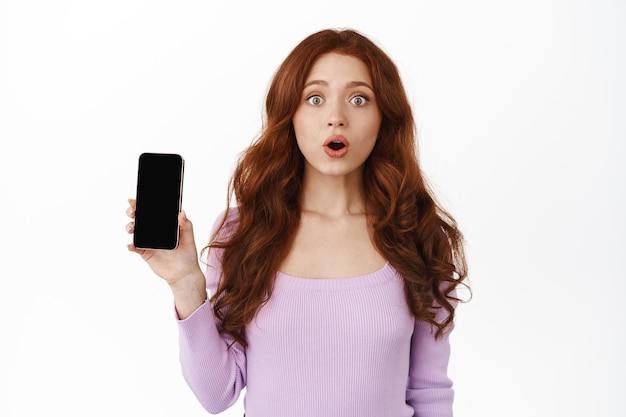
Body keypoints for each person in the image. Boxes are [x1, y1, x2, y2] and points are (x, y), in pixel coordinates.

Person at [125, 28, 468, 417]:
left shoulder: (418, 236)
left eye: (359, 99)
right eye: (315, 98)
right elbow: (216, 393)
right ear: (290, 114)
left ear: (384, 116)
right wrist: (185, 283)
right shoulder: (243, 233)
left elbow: (430, 393)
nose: (336, 118)